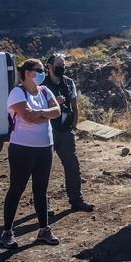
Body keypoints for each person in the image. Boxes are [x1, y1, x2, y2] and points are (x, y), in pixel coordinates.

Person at [1, 59, 62, 248]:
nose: (42, 73)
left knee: (41, 190)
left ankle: (44, 229)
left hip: (45, 147)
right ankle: (7, 232)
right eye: (38, 70)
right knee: (17, 189)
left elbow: (57, 111)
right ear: (27, 72)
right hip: (22, 147)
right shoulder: (17, 92)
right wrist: (44, 114)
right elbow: (28, 117)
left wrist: (40, 112)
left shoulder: (44, 91)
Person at [43, 53, 94, 212]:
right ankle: (44, 206)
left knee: (73, 166)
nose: (62, 67)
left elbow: (74, 105)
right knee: (43, 168)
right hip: (47, 131)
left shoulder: (69, 83)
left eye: (63, 64)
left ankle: (76, 200)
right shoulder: (41, 85)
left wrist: (74, 125)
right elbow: (37, 108)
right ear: (50, 66)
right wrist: (53, 103)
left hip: (65, 131)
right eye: (58, 64)